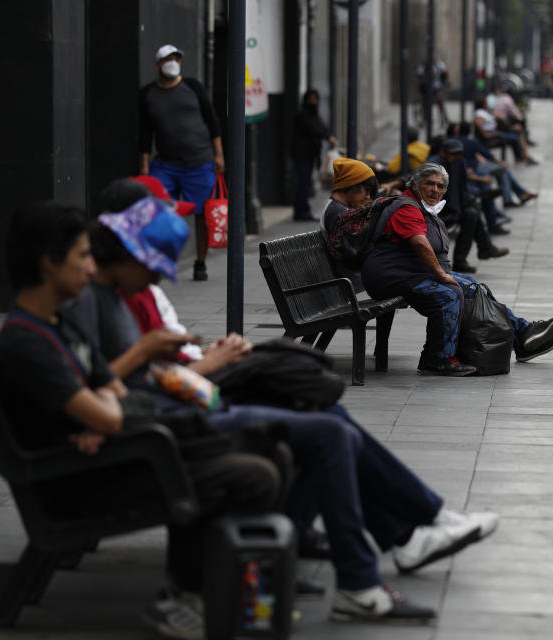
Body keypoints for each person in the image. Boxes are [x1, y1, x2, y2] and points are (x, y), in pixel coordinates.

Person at [76, 180, 502, 625]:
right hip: (174, 420)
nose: (159, 273)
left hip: (180, 405)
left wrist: (191, 360)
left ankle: (401, 536)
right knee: (324, 424)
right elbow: (119, 383)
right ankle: (392, 547)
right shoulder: (92, 304)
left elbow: (120, 377)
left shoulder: (116, 295)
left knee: (322, 414)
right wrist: (195, 365)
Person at [0, 202, 282, 640]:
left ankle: (225, 589)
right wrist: (104, 403)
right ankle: (192, 594)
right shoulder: (29, 341)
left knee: (263, 446)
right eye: (83, 256)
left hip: (109, 455)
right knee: (254, 472)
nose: (92, 269)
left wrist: (99, 405)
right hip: (85, 479)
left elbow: (114, 393)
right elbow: (109, 412)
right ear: (50, 263)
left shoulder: (56, 327)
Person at [361, 163, 553, 376]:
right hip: (390, 276)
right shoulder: (408, 208)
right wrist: (442, 275)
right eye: (429, 184)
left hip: (411, 272)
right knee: (449, 294)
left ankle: (523, 334)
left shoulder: (425, 209)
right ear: (415, 185)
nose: (435, 190)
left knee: (472, 287)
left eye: (440, 186)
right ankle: (438, 358)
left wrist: (445, 273)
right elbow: (420, 244)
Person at [139, 44, 224, 282]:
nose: (172, 62)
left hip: (200, 161)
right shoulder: (147, 94)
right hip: (165, 164)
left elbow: (211, 119)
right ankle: (160, 259)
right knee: (158, 209)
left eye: (176, 58)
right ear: (157, 64)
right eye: (167, 58)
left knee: (202, 214)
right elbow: (144, 132)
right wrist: (145, 164)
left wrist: (219, 154)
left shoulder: (193, 87)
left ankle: (200, 262)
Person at [428, 139, 508, 273]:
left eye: (459, 154)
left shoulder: (458, 162)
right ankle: (483, 248)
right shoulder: (434, 165)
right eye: (454, 154)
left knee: (472, 212)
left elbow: (461, 188)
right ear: (444, 153)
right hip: (438, 208)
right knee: (472, 212)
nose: (457, 157)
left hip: (455, 203)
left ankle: (473, 254)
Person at [449, 122, 537, 209]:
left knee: (503, 171)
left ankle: (519, 194)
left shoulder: (452, 141)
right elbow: (487, 154)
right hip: (474, 168)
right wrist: (500, 162)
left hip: (471, 168)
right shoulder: (470, 142)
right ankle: (512, 197)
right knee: (503, 170)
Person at [292, 89, 337, 221]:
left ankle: (302, 209)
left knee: (305, 182)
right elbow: (315, 128)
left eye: (316, 99)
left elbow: (321, 127)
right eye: (311, 99)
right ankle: (301, 211)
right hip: (302, 154)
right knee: (303, 183)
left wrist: (328, 136)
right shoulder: (303, 115)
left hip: (310, 154)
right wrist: (328, 137)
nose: (314, 102)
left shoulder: (314, 114)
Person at [320, 157, 379, 238]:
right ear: (353, 186)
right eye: (366, 190)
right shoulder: (338, 213)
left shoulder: (337, 207)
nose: (367, 197)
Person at [474, 96, 532, 164]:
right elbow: (480, 127)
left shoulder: (484, 112)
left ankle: (521, 156)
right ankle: (519, 157)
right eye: (486, 103)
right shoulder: (480, 113)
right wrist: (489, 134)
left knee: (515, 134)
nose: (487, 104)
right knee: (514, 138)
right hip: (492, 135)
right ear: (483, 104)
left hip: (495, 132)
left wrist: (495, 117)